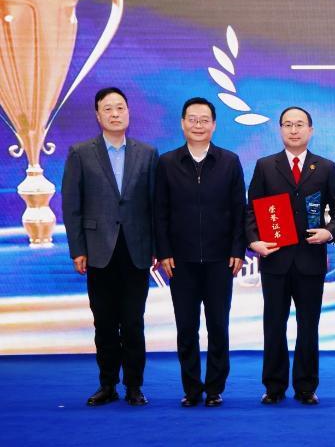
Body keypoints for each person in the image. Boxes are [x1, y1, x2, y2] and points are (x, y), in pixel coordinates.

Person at [246, 107, 335, 406]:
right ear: (280, 129)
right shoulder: (266, 166)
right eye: (288, 125)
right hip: (275, 259)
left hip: (310, 260)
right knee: (273, 325)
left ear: (310, 130)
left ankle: (306, 387)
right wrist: (254, 241)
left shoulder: (325, 167)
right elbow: (251, 210)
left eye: (300, 125)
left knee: (308, 326)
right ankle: (274, 386)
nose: (294, 130)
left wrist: (329, 232)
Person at [62, 87, 158, 407]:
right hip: (97, 250)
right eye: (108, 109)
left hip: (136, 250)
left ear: (128, 112)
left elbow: (154, 205)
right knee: (103, 322)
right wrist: (78, 248)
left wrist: (157, 247)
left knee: (133, 322)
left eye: (120, 108)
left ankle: (134, 386)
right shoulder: (80, 153)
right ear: (97, 115)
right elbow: (72, 206)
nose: (115, 114)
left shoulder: (147, 153)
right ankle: (107, 384)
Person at [154, 97, 246, 407]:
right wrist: (164, 251)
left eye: (204, 120)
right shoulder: (167, 163)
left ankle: (215, 388)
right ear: (182, 123)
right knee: (186, 327)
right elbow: (159, 211)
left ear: (214, 125)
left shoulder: (229, 161)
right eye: (192, 119)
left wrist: (237, 249)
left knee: (218, 325)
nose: (198, 125)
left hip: (221, 260)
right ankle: (191, 389)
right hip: (181, 261)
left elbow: (239, 209)